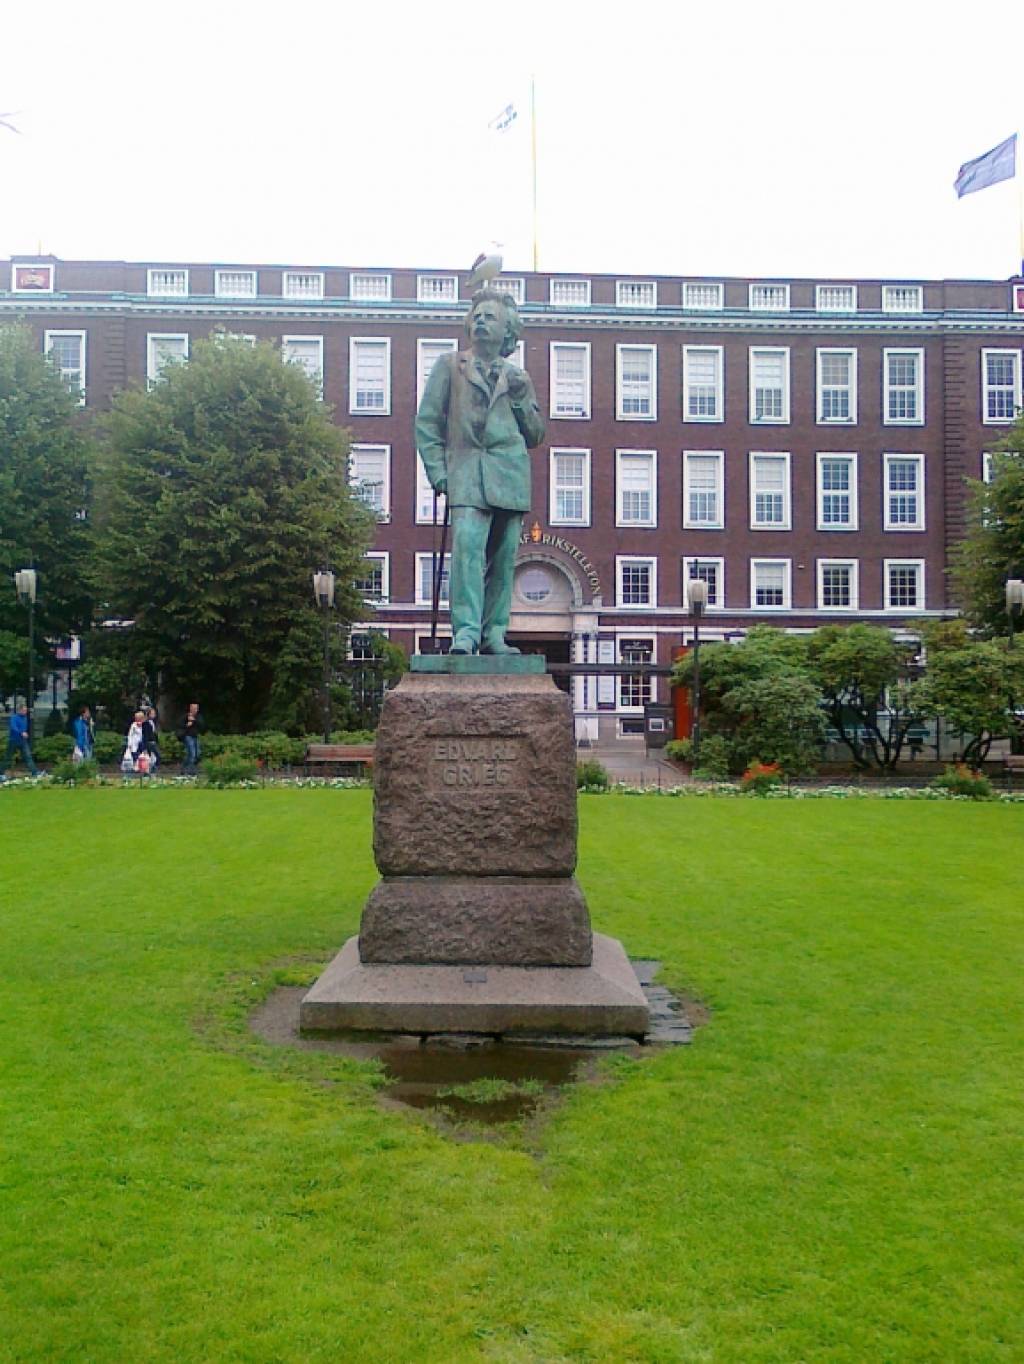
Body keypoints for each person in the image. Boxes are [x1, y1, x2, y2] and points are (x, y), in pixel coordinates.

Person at [415, 288, 545, 655]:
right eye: (477, 316)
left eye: (490, 317)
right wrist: (439, 472)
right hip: (467, 474)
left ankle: (494, 635)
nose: (481, 322)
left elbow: (536, 435)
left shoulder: (518, 377)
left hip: (510, 476)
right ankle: (467, 633)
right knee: (467, 551)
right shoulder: (450, 366)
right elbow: (427, 423)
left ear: (507, 331)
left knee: (503, 561)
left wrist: (520, 398)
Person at [1, 704, 39, 777]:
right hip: (13, 741)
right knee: (8, 758)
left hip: (23, 741)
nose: (25, 712)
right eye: (24, 710)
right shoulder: (14, 717)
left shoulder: (25, 718)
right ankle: (1, 773)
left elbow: (24, 728)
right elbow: (13, 727)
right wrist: (21, 733)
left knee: (28, 757)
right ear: (19, 710)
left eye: (26, 710)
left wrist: (25, 734)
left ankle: (35, 772)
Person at [180, 702, 203, 774]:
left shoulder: (198, 717)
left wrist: (194, 720)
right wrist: (187, 725)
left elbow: (202, 725)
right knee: (192, 754)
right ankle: (191, 771)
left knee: (197, 754)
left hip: (195, 737)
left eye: (196, 708)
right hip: (188, 736)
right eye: (193, 708)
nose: (195, 709)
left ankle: (184, 767)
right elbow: (180, 725)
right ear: (190, 708)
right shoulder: (185, 716)